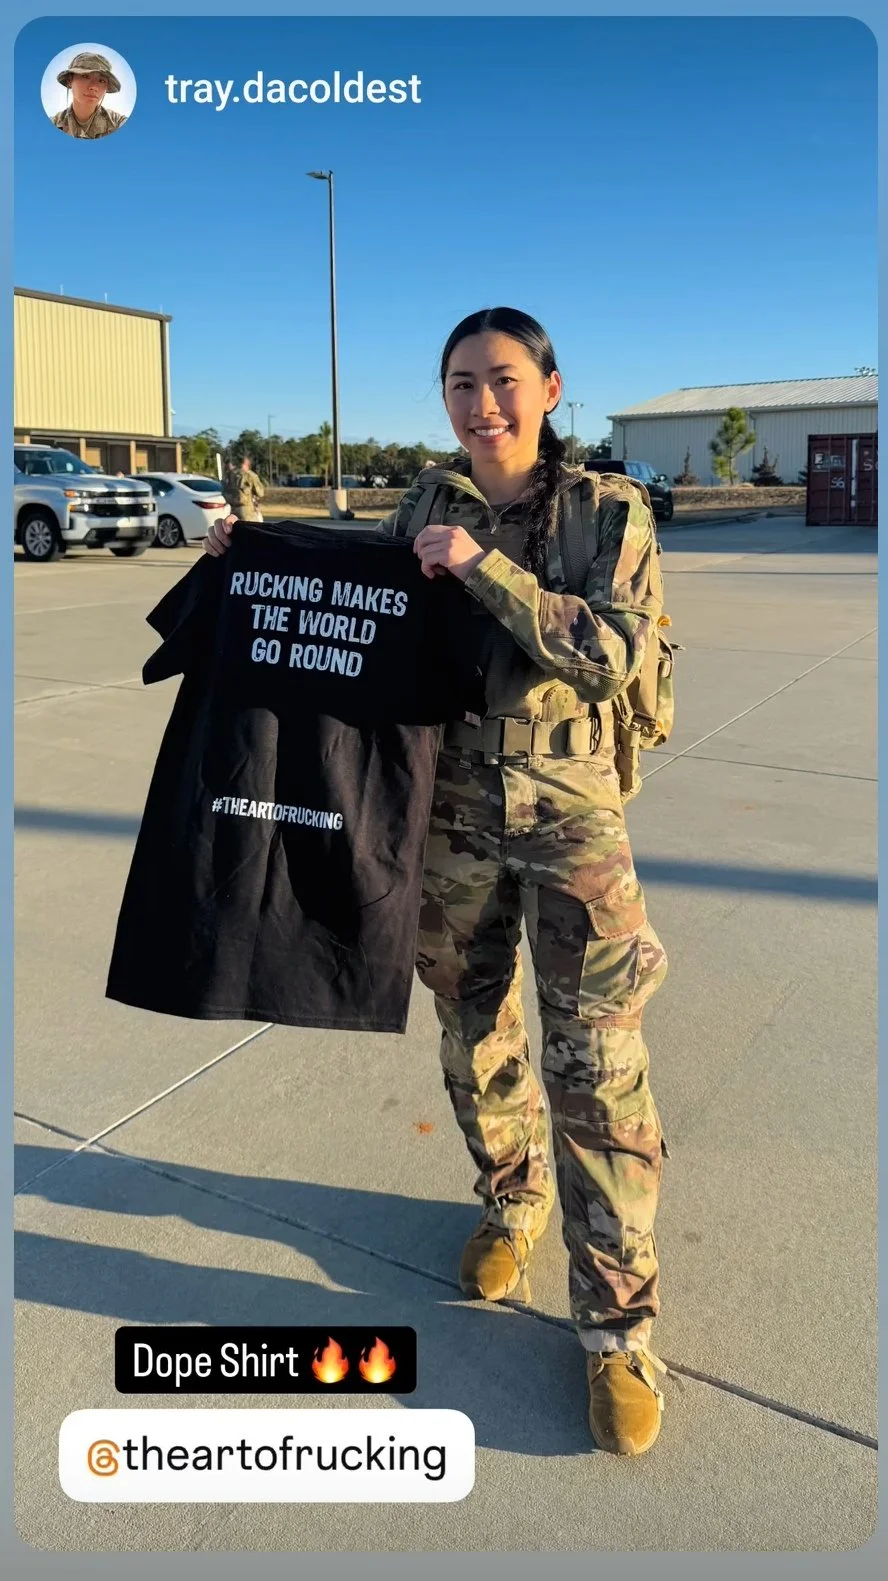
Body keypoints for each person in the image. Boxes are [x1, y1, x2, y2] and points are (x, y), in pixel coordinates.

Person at [204, 307, 669, 1456]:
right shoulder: (429, 500)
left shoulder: (609, 511)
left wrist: (489, 574)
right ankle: (512, 1201)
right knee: (473, 1032)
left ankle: (619, 1331)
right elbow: (361, 575)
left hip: (574, 824)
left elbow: (610, 647)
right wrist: (251, 549)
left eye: (504, 381)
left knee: (598, 1065)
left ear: (551, 390)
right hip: (449, 817)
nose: (482, 405)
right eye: (460, 384)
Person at [52, 52, 128, 139]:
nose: (94, 87)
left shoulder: (118, 123)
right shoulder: (53, 124)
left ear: (106, 87)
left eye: (101, 80)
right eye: (85, 76)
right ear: (70, 80)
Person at [222, 455, 265, 522]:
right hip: (247, 511)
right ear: (247, 464)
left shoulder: (230, 474)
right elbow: (260, 493)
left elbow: (224, 490)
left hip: (233, 509)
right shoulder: (250, 475)